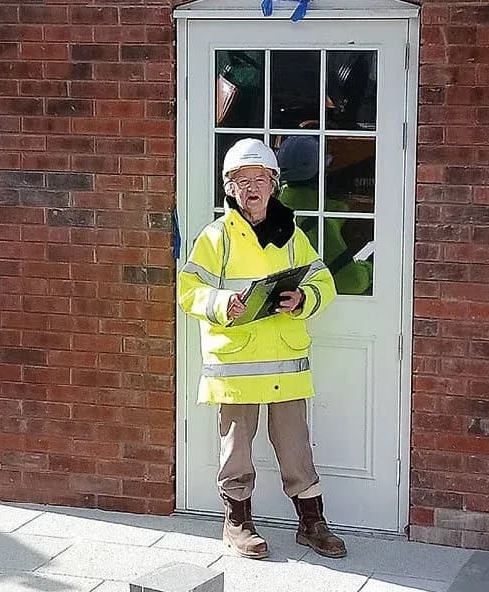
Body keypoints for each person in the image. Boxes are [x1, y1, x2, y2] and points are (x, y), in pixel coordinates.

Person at [177, 138, 346, 560]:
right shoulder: (214, 238)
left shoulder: (293, 234)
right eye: (241, 180)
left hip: (285, 366)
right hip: (235, 368)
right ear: (229, 188)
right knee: (235, 451)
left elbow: (324, 281)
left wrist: (304, 298)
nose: (251, 188)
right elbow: (188, 289)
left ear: (274, 184)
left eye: (260, 179)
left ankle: (312, 522)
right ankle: (237, 522)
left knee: (296, 449)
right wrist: (221, 304)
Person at [277, 135, 373, 296]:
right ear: (322, 172)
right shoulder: (318, 220)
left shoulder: (274, 207)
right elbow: (351, 282)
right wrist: (370, 267)